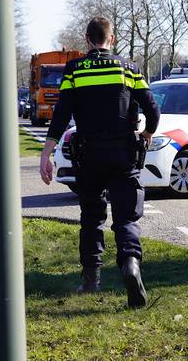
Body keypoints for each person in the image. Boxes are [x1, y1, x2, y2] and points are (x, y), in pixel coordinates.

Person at [39, 17, 160, 308]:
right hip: (123, 155)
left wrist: (47, 152)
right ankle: (130, 264)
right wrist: (147, 133)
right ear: (112, 38)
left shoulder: (74, 70)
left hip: (89, 155)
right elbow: (152, 109)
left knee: (92, 218)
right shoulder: (128, 69)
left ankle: (91, 279)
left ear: (87, 39)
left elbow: (61, 115)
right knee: (126, 217)